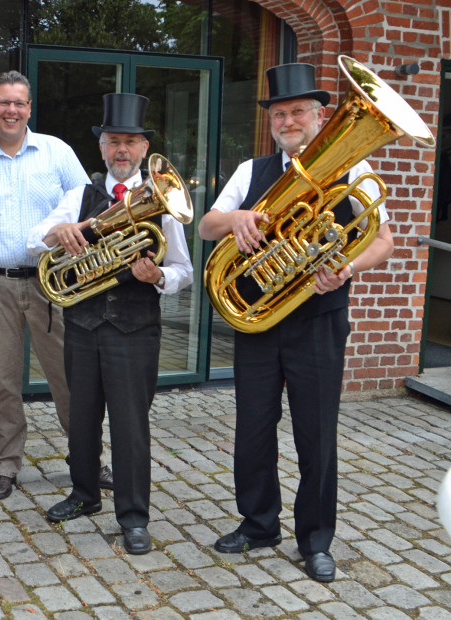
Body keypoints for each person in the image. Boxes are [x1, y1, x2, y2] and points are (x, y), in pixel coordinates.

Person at [198, 63, 393, 583]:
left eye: (298, 111)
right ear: (271, 121)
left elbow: (383, 241)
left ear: (319, 115)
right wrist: (236, 219)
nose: (288, 120)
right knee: (253, 429)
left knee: (316, 433)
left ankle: (316, 540)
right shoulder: (250, 171)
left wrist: (347, 267)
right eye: (279, 113)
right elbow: (206, 225)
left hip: (319, 322)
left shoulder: (351, 169)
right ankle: (259, 524)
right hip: (259, 320)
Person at [27, 93, 193, 555]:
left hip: (135, 331)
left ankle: (134, 516)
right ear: (101, 149)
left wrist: (158, 275)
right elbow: (30, 241)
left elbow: (184, 270)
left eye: (131, 143)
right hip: (81, 326)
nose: (122, 150)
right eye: (113, 141)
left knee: (129, 426)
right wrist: (55, 233)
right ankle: (84, 495)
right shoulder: (80, 194)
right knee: (81, 420)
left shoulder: (163, 200)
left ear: (144, 149)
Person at [0, 70, 113, 500]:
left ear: (29, 108)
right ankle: (4, 464)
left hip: (54, 284)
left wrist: (74, 228)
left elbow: (92, 206)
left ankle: (84, 459)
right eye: (3, 102)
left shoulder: (56, 152)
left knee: (72, 376)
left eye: (20, 103)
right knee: (0, 380)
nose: (11, 110)